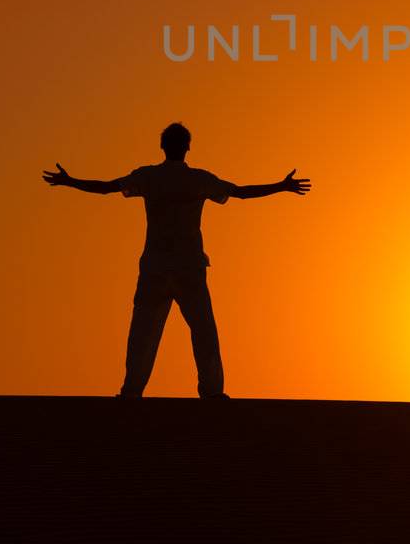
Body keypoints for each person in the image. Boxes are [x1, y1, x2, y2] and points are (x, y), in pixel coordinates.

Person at [42, 122, 310, 398]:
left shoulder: (148, 177)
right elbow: (240, 192)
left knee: (143, 333)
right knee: (203, 332)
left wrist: (69, 181)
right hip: (188, 268)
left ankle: (132, 390)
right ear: (188, 148)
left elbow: (106, 188)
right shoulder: (198, 179)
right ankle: (212, 392)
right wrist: (281, 186)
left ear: (162, 147)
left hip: (156, 267)